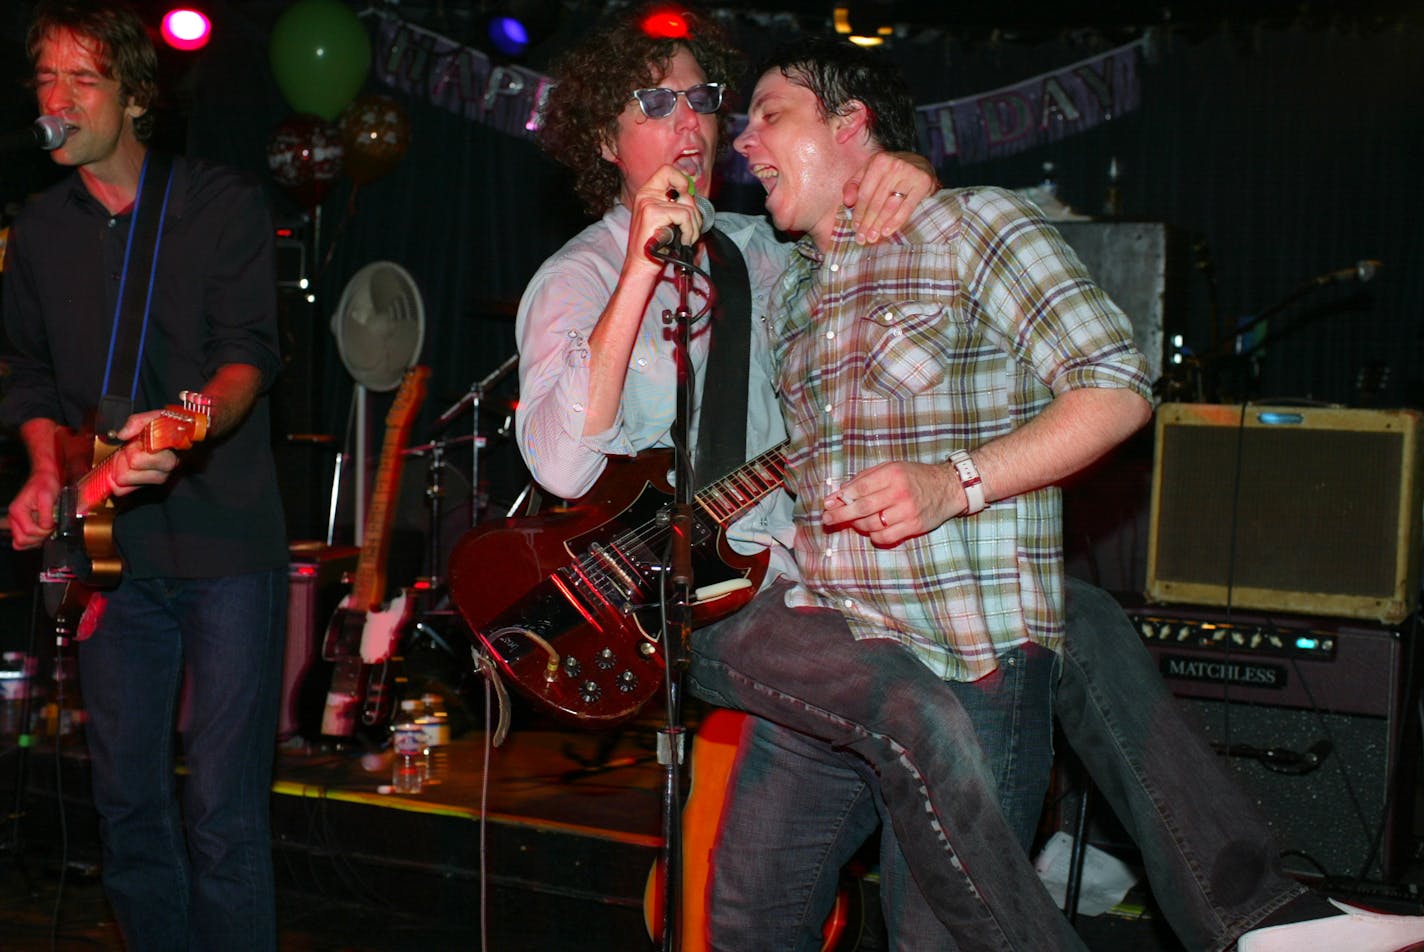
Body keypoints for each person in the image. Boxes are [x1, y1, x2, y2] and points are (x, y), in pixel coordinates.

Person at [688, 36, 1424, 952]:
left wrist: (956, 483)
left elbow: (1117, 386)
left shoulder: (976, 227)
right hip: (839, 655)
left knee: (938, 937)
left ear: (850, 124)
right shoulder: (793, 286)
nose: (744, 142)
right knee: (744, 925)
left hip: (970, 667)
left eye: (769, 114)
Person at [0, 2, 289, 950]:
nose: (57, 98)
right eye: (46, 78)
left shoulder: (216, 203)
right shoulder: (38, 227)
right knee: (126, 801)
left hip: (224, 542)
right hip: (103, 545)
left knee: (221, 808)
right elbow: (32, 374)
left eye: (83, 79)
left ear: (133, 98)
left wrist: (190, 418)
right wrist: (44, 470)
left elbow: (248, 358)